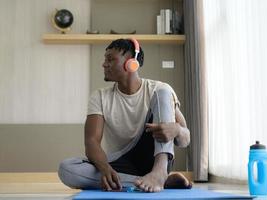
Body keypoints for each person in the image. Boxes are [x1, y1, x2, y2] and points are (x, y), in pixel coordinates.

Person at [58, 38, 191, 193]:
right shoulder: (100, 97)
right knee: (67, 169)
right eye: (105, 59)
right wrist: (105, 169)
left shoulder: (159, 88)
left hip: (155, 157)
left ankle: (159, 172)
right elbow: (92, 142)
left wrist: (177, 130)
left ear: (131, 63)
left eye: (110, 59)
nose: (104, 64)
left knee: (163, 92)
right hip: (121, 163)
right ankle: (154, 181)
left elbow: (185, 140)